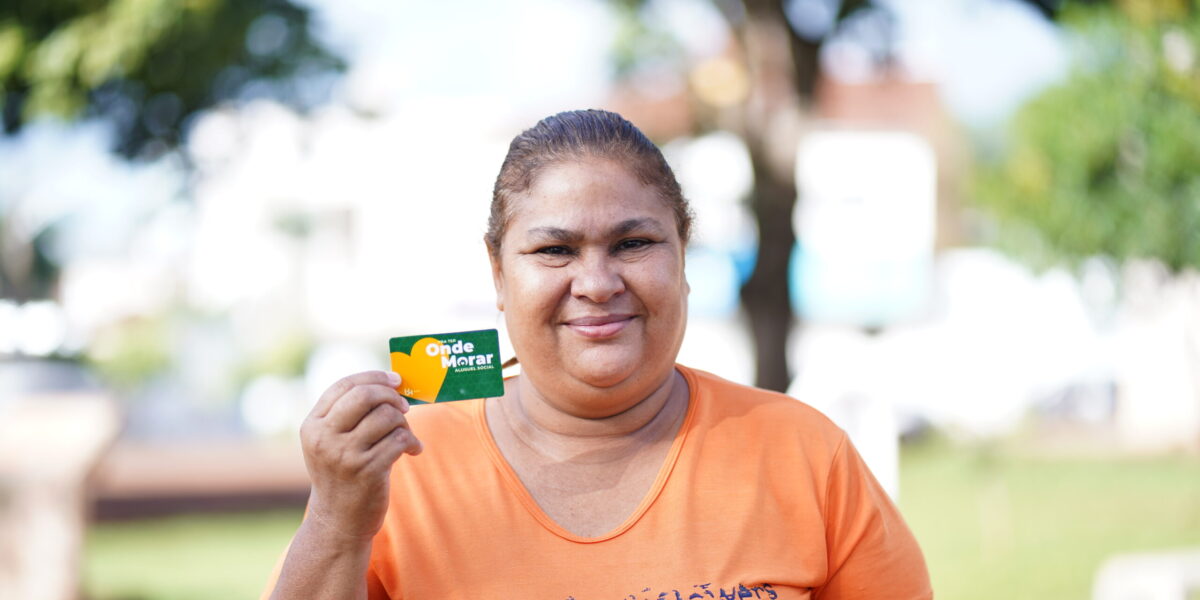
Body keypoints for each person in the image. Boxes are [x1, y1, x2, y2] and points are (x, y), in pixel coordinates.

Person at [264, 109, 931, 599]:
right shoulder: (401, 471)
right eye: (555, 250)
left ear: (683, 255)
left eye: (633, 244)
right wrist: (336, 523)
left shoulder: (802, 453)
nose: (597, 283)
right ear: (498, 275)